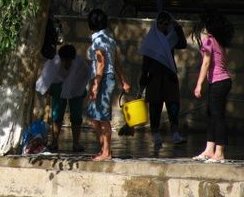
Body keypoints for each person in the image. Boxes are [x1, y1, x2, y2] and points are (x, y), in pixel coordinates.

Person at [139, 11, 187, 149]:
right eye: (161, 23)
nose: (164, 26)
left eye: (167, 23)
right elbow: (145, 64)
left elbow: (183, 44)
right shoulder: (151, 40)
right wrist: (142, 85)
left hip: (169, 75)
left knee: (173, 105)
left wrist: (177, 28)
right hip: (154, 77)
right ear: (156, 24)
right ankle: (155, 134)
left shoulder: (171, 39)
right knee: (155, 106)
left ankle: (175, 133)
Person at [86, 9, 130, 161]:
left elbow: (101, 63)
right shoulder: (109, 40)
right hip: (105, 78)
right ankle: (103, 148)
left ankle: (107, 152)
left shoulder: (99, 41)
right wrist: (123, 81)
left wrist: (95, 86)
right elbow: (116, 62)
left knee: (102, 117)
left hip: (102, 79)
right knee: (94, 117)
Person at [192, 12, 234, 163]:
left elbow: (206, 63)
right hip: (220, 82)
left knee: (217, 117)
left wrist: (198, 84)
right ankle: (209, 150)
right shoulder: (217, 41)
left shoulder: (209, 41)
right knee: (211, 116)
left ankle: (220, 153)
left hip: (218, 82)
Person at [36, 44, 90, 152]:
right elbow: (47, 77)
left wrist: (80, 90)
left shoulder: (80, 63)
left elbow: (85, 77)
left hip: (76, 87)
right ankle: (54, 142)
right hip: (58, 86)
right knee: (57, 114)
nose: (66, 63)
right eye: (64, 60)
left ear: (73, 59)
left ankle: (76, 143)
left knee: (76, 116)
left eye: (68, 60)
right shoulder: (54, 62)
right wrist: (47, 89)